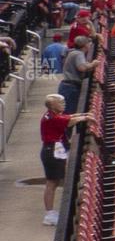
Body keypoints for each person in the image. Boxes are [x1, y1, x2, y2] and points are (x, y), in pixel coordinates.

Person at [35, 94, 89, 227]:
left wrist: (85, 114)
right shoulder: (53, 118)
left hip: (55, 149)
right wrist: (86, 117)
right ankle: (49, 214)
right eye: (61, 102)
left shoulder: (54, 115)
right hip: (51, 151)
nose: (64, 104)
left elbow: (69, 117)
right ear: (53, 105)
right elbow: (70, 121)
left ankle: (51, 212)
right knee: (52, 183)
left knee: (55, 181)